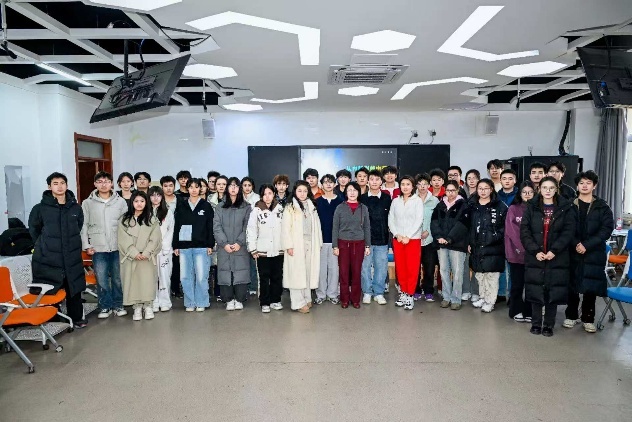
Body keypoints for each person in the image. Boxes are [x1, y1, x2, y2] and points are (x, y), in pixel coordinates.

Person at [29, 172, 87, 328]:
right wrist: (45, 245)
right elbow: (34, 231)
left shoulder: (75, 208)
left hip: (71, 254)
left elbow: (78, 226)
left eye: (62, 183)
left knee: (73, 287)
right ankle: (53, 320)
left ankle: (76, 318)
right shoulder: (40, 209)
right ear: (49, 187)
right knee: (51, 288)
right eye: (55, 183)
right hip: (48, 257)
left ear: (67, 185)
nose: (59, 186)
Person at [521, 176, 576, 337]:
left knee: (553, 291)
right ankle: (536, 323)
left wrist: (554, 251)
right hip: (535, 256)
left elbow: (568, 232)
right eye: (544, 187)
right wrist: (535, 251)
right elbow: (524, 231)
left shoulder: (565, 207)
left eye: (551, 188)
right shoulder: (531, 206)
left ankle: (548, 325)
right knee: (535, 289)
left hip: (556, 256)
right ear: (539, 189)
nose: (547, 191)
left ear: (556, 189)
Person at [564, 171, 614, 333]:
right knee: (572, 285)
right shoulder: (570, 205)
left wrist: (586, 245)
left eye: (588, 183)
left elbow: (606, 229)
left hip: (594, 252)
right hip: (573, 250)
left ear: (594, 186)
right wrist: (576, 243)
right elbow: (565, 228)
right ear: (577, 186)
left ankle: (588, 318)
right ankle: (571, 316)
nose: (584, 186)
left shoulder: (602, 207)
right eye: (581, 183)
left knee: (590, 286)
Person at [81, 171, 128, 319]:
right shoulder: (87, 203)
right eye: (100, 182)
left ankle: (118, 305)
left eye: (106, 181)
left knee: (117, 278)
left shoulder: (120, 202)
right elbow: (84, 225)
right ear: (95, 184)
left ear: (112, 184)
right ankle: (105, 306)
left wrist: (126, 245)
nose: (103, 184)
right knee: (101, 279)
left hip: (117, 246)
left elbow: (126, 225)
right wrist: (86, 245)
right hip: (98, 247)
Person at [460, 178, 507, 313]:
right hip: (476, 246)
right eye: (480, 188)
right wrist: (469, 242)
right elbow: (467, 226)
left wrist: (494, 237)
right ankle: (483, 297)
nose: (483, 191)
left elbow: (505, 227)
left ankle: (490, 301)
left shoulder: (500, 206)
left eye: (486, 188)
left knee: (491, 275)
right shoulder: (472, 205)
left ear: (491, 189)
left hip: (493, 246)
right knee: (480, 274)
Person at [118, 191, 162, 321]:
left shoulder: (152, 219)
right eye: (136, 201)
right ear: (131, 203)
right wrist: (134, 253)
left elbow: (156, 239)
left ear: (146, 203)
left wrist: (147, 252)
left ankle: (148, 306)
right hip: (131, 257)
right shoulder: (124, 220)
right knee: (133, 282)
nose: (139, 204)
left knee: (147, 282)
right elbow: (122, 239)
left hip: (147, 258)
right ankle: (136, 307)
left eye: (142, 201)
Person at [173, 178, 214, 312]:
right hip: (184, 246)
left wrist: (210, 244)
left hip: (201, 246)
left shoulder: (206, 206)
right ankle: (190, 302)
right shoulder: (181, 205)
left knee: (202, 276)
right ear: (187, 189)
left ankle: (201, 302)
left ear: (200, 189)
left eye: (197, 187)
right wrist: (176, 245)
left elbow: (210, 227)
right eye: (191, 187)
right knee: (185, 276)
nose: (194, 190)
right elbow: (176, 226)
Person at [281, 180, 323, 313]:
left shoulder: (311, 206)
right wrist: (289, 246)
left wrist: (319, 243)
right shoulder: (290, 207)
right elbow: (285, 228)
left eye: (305, 191)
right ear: (295, 192)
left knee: (308, 272)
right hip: (296, 245)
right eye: (299, 191)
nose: (302, 193)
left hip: (310, 243)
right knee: (296, 273)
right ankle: (298, 303)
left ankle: (306, 298)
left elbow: (317, 226)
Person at [213, 177, 251, 310]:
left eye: (236, 186)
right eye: (231, 185)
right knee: (225, 272)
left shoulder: (246, 207)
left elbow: (248, 227)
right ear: (227, 188)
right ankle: (228, 300)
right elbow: (216, 227)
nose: (233, 188)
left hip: (241, 246)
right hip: (224, 247)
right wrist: (224, 244)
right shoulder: (220, 206)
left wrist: (240, 242)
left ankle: (240, 299)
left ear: (239, 188)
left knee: (241, 272)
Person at [388, 175, 424, 310]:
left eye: (408, 184)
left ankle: (410, 295)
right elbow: (391, 219)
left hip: (412, 240)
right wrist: (397, 234)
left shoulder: (417, 201)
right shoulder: (395, 201)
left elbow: (419, 220)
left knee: (412, 268)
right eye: (402, 184)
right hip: (398, 239)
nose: (405, 187)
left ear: (413, 186)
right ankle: (403, 292)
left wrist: (408, 236)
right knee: (401, 268)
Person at [431, 180, 468, 310]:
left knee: (457, 272)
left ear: (457, 190)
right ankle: (446, 297)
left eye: (453, 190)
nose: (450, 193)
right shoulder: (440, 204)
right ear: (445, 191)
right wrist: (439, 237)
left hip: (457, 244)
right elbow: (434, 222)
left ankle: (456, 299)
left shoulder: (464, 205)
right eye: (448, 190)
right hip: (442, 244)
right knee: (443, 270)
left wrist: (450, 238)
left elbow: (462, 224)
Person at [247, 184, 284, 313]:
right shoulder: (256, 210)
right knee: (264, 277)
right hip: (262, 251)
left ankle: (276, 300)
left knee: (277, 276)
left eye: (270, 193)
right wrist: (253, 249)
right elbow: (251, 230)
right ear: (261, 196)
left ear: (274, 194)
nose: (267, 196)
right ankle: (265, 302)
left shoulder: (280, 209)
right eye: (264, 194)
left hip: (278, 249)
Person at [333, 182, 371, 309]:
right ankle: (344, 299)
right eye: (349, 190)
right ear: (346, 192)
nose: (352, 193)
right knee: (344, 272)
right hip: (343, 243)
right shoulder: (340, 207)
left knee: (356, 272)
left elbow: (367, 227)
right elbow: (335, 228)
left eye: (355, 190)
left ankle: (355, 299)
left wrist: (367, 245)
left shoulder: (363, 208)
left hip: (359, 244)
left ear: (358, 192)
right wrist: (335, 246)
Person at [505, 181, 535, 322]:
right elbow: (512, 231)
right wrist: (524, 247)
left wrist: (533, 248)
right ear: (520, 193)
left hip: (533, 254)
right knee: (517, 284)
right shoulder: (513, 209)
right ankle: (515, 310)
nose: (527, 195)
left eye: (530, 192)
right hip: (516, 252)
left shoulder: (537, 209)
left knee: (531, 285)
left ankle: (529, 311)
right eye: (524, 192)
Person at [360, 170, 392, 305]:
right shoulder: (362, 198)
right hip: (365, 240)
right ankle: (367, 292)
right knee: (365, 267)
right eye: (372, 179)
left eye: (377, 179)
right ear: (368, 181)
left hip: (382, 239)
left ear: (381, 182)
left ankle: (379, 292)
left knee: (381, 267)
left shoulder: (387, 198)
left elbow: (390, 217)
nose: (374, 182)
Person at [315, 174, 344, 305]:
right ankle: (320, 294)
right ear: (321, 185)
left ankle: (332, 294)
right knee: (321, 270)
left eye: (331, 182)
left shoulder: (341, 202)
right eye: (325, 182)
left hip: (335, 241)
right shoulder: (317, 202)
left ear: (335, 185)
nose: (328, 184)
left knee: (334, 269)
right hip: (320, 241)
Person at [149, 186, 174, 312]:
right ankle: (153, 301)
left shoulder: (167, 212)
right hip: (149, 251)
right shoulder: (145, 212)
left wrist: (165, 247)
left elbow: (170, 231)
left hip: (164, 250)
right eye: (152, 195)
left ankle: (165, 301)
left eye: (158, 195)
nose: (155, 198)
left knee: (164, 276)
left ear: (162, 197)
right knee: (151, 277)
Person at [416, 173, 440, 302]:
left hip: (429, 239)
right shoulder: (412, 199)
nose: (422, 186)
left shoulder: (434, 201)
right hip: (414, 239)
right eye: (420, 184)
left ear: (429, 185)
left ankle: (428, 290)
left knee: (429, 267)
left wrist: (428, 232)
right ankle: (416, 290)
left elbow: (437, 220)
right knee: (415, 267)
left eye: (425, 184)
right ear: (416, 185)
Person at [497, 168, 519, 300]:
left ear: (515, 181)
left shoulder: (519, 196)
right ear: (500, 180)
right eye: (504, 178)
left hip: (516, 236)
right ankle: (500, 293)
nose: (507, 181)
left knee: (513, 267)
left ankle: (512, 294)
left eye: (510, 179)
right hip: (500, 235)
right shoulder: (496, 196)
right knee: (500, 266)